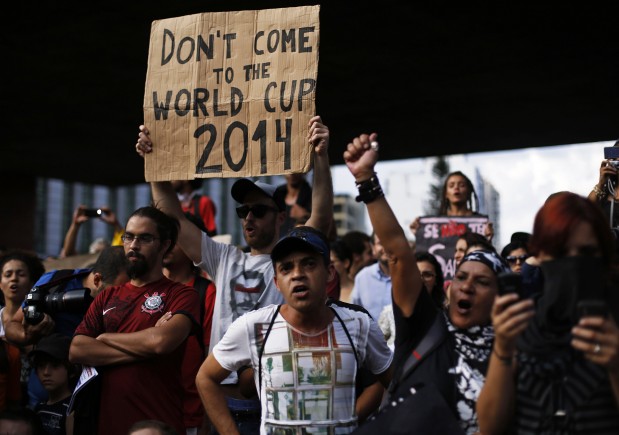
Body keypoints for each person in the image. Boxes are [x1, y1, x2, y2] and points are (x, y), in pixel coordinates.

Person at [136, 116, 334, 432]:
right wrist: (154, 162)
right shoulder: (223, 257)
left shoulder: (291, 261)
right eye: (243, 212)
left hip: (272, 401)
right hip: (220, 401)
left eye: (259, 211)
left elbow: (321, 216)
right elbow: (170, 215)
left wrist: (321, 156)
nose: (249, 217)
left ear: (281, 216)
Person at [343, 132, 511, 435]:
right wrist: (366, 180)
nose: (466, 286)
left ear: (500, 295)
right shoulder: (426, 328)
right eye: (460, 276)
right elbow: (397, 253)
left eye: (482, 281)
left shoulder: (514, 351)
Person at [196, 225, 393, 435]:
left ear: (329, 273)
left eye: (309, 264)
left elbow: (394, 380)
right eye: (286, 268)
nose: (297, 275)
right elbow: (205, 378)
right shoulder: (254, 326)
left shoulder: (359, 323)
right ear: (277, 283)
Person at [477, 191, 619, 434]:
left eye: (586, 252)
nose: (574, 264)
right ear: (540, 255)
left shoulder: (613, 322)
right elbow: (490, 426)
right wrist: (503, 347)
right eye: (561, 252)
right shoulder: (521, 323)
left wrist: (616, 365)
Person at [69, 206, 200, 435]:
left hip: (159, 425)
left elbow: (161, 342)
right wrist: (146, 347)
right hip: (107, 427)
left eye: (145, 238)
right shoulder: (108, 295)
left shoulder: (182, 294)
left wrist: (105, 338)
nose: (133, 245)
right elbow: (77, 349)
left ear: (165, 245)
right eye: (129, 237)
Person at [162, 212, 215, 435]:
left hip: (190, 417)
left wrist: (207, 418)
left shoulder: (207, 292)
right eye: (165, 237)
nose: (168, 244)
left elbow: (210, 358)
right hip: (148, 411)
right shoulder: (145, 289)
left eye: (175, 238)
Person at [0, 251, 45, 411]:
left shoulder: (42, 320)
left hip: (34, 397)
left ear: (33, 282)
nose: (14, 279)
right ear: (0, 283)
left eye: (21, 274)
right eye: (8, 274)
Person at [378, 251, 445, 350]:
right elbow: (377, 350)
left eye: (427, 275)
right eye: (415, 274)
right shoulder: (390, 313)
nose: (421, 280)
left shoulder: (446, 316)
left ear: (436, 280)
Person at [30, 333, 77, 435]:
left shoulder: (72, 409)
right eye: (41, 365)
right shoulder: (39, 408)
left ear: (71, 369)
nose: (46, 372)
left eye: (55, 365)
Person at [351, 233, 392, 321]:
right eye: (381, 243)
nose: (386, 247)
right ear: (373, 248)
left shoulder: (411, 276)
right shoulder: (363, 277)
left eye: (390, 241)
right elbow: (354, 315)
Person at [59, 205, 124, 258]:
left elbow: (119, 246)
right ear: (89, 254)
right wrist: (75, 224)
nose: (99, 257)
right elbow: (69, 253)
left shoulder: (113, 265)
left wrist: (116, 224)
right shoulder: (84, 266)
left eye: (103, 253)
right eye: (96, 252)